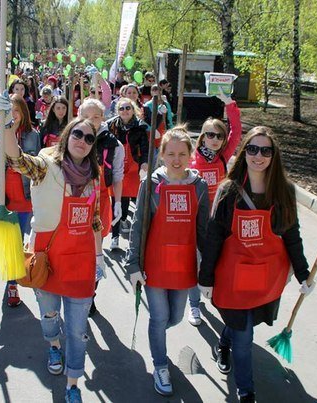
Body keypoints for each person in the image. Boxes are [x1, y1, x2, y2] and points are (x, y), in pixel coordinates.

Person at [0, 90, 104, 402]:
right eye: (78, 133)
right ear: (67, 135)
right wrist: (6, 124)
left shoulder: (94, 177)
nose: (82, 140)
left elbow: (95, 219)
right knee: (49, 318)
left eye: (89, 137)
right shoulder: (45, 165)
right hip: (47, 257)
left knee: (78, 330)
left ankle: (73, 384)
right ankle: (53, 348)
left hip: (82, 262)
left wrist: (99, 256)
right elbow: (16, 159)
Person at [198, 126, 314, 403]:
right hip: (231, 276)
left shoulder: (283, 191)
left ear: (274, 156)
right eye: (252, 149)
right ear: (244, 152)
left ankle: (222, 345)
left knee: (243, 323)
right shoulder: (229, 191)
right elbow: (213, 237)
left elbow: (291, 234)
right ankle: (246, 391)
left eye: (265, 150)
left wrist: (303, 273)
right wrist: (205, 278)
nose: (258, 156)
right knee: (244, 334)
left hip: (265, 276)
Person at [125, 127, 209, 397]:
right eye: (170, 153)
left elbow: (203, 230)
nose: (176, 159)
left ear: (190, 156)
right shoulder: (150, 184)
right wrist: (133, 265)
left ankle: (157, 335)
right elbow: (138, 224)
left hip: (184, 265)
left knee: (173, 317)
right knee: (159, 316)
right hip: (155, 264)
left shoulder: (200, 187)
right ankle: (160, 365)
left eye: (182, 154)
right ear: (161, 155)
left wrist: (208, 269)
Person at [187, 88, 242, 326]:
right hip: (197, 221)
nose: (215, 139)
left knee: (215, 260)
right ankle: (193, 305)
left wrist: (230, 105)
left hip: (218, 220)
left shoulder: (222, 156)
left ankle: (214, 296)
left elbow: (237, 132)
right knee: (196, 262)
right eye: (210, 135)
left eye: (219, 136)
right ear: (202, 136)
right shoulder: (192, 160)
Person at [0, 94, 41, 307]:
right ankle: (12, 284)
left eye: (17, 111)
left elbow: (34, 164)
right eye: (9, 111)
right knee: (11, 243)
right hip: (4, 197)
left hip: (26, 197)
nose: (13, 115)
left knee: (24, 243)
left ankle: (27, 275)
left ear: (23, 113)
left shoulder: (32, 135)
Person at [78, 99, 125, 316]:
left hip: (101, 201)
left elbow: (117, 176)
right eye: (86, 116)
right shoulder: (72, 138)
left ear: (103, 118)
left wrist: (117, 203)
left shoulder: (114, 144)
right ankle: (76, 292)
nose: (91, 121)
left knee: (96, 252)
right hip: (74, 201)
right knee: (76, 250)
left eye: (96, 116)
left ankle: (91, 294)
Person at [106, 98, 148, 250]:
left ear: (133, 109)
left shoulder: (140, 127)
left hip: (132, 169)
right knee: (116, 201)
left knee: (128, 203)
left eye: (128, 108)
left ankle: (125, 221)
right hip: (116, 167)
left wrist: (144, 163)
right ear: (118, 111)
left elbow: (144, 149)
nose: (125, 111)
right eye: (122, 108)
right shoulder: (111, 126)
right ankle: (115, 236)